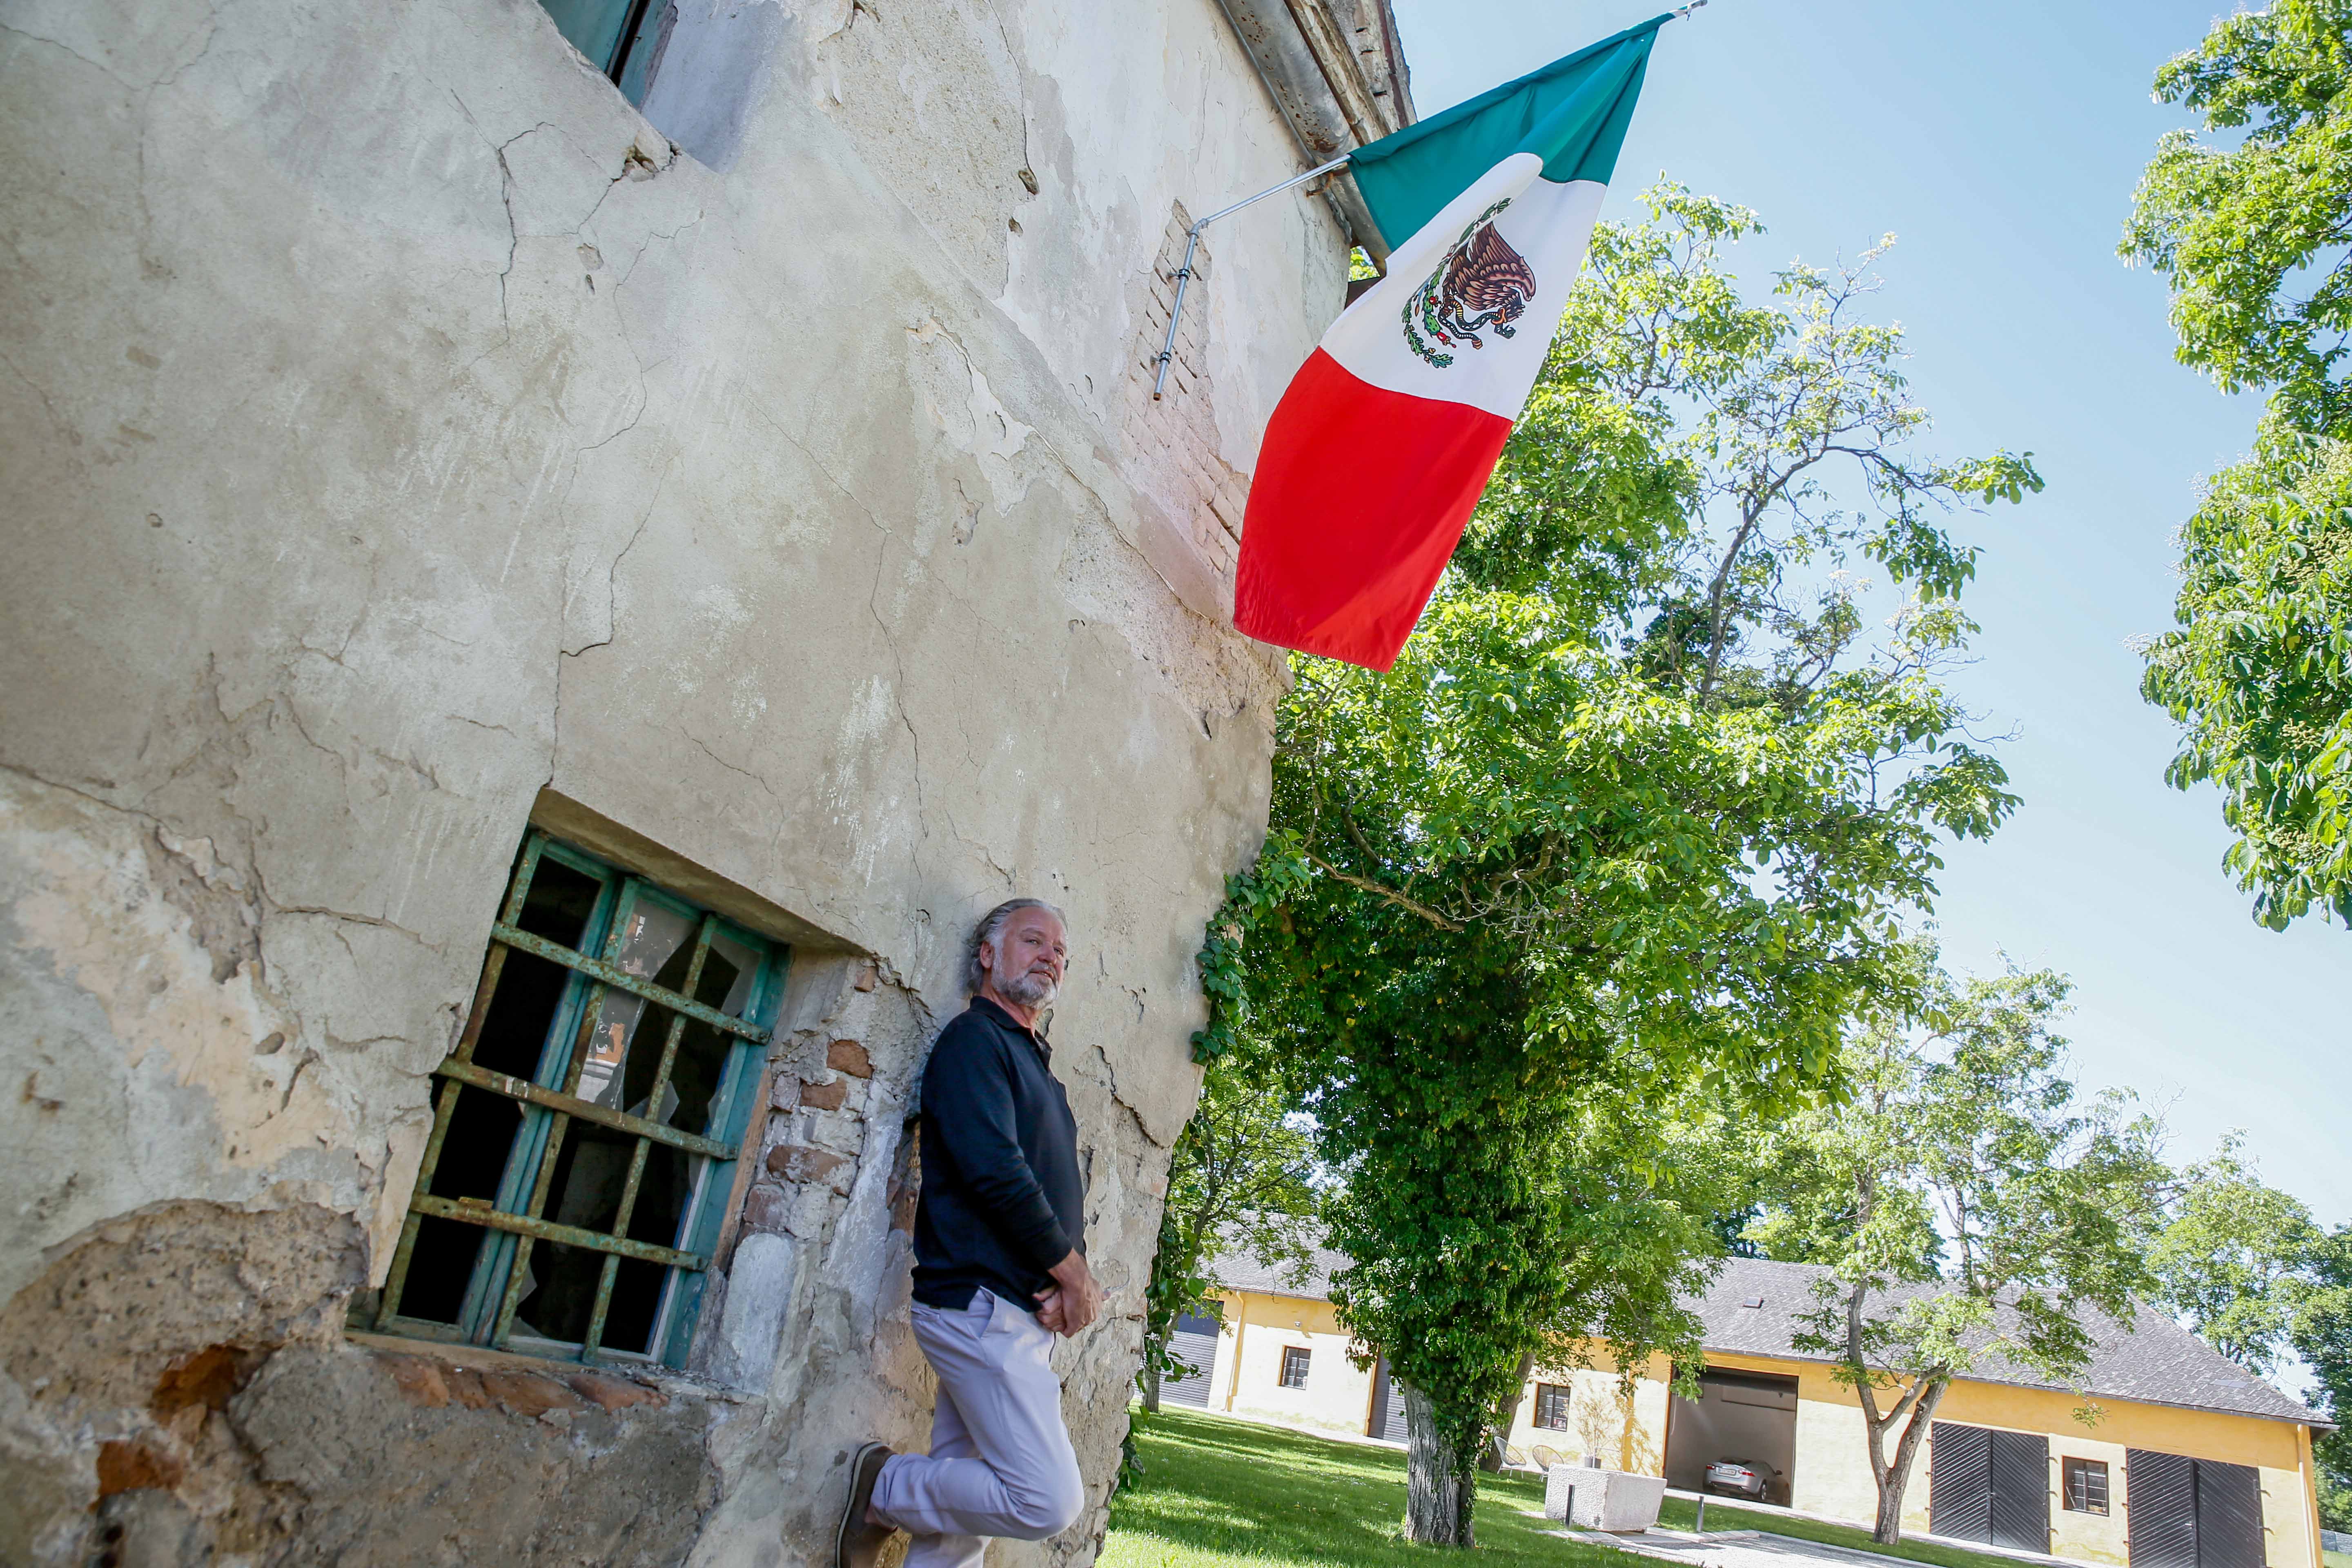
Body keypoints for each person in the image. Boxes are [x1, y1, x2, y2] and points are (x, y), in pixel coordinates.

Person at [835, 898, 1106, 1568]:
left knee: (957, 1532)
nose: (1051, 956)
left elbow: (1041, 1189)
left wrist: (1054, 1280)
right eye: (1033, 940)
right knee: (1046, 1498)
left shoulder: (1032, 1064)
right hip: (979, 1307)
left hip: (1014, 1309)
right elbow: (996, 1175)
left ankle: (908, 1512)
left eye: (1060, 951)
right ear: (988, 954)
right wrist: (1074, 1275)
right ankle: (886, 1487)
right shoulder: (974, 1042)